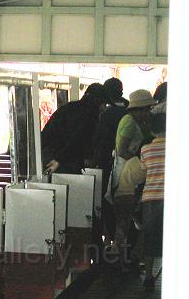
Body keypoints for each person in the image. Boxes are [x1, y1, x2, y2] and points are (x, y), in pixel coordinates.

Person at [92, 78, 129, 247]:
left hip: (108, 163)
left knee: (107, 201)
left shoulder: (106, 114)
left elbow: (100, 141)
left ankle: (108, 238)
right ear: (121, 91)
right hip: (129, 164)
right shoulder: (129, 110)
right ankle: (122, 240)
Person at [42, 83, 108, 174]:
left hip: (48, 156)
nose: (104, 108)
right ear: (97, 101)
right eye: (104, 104)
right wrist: (59, 160)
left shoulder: (67, 108)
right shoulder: (91, 115)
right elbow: (77, 139)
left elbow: (46, 132)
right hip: (65, 162)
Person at [140, 103, 166, 290]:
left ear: (152, 130)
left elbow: (143, 172)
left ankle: (148, 276)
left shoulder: (145, 150)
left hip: (150, 199)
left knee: (150, 237)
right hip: (171, 199)